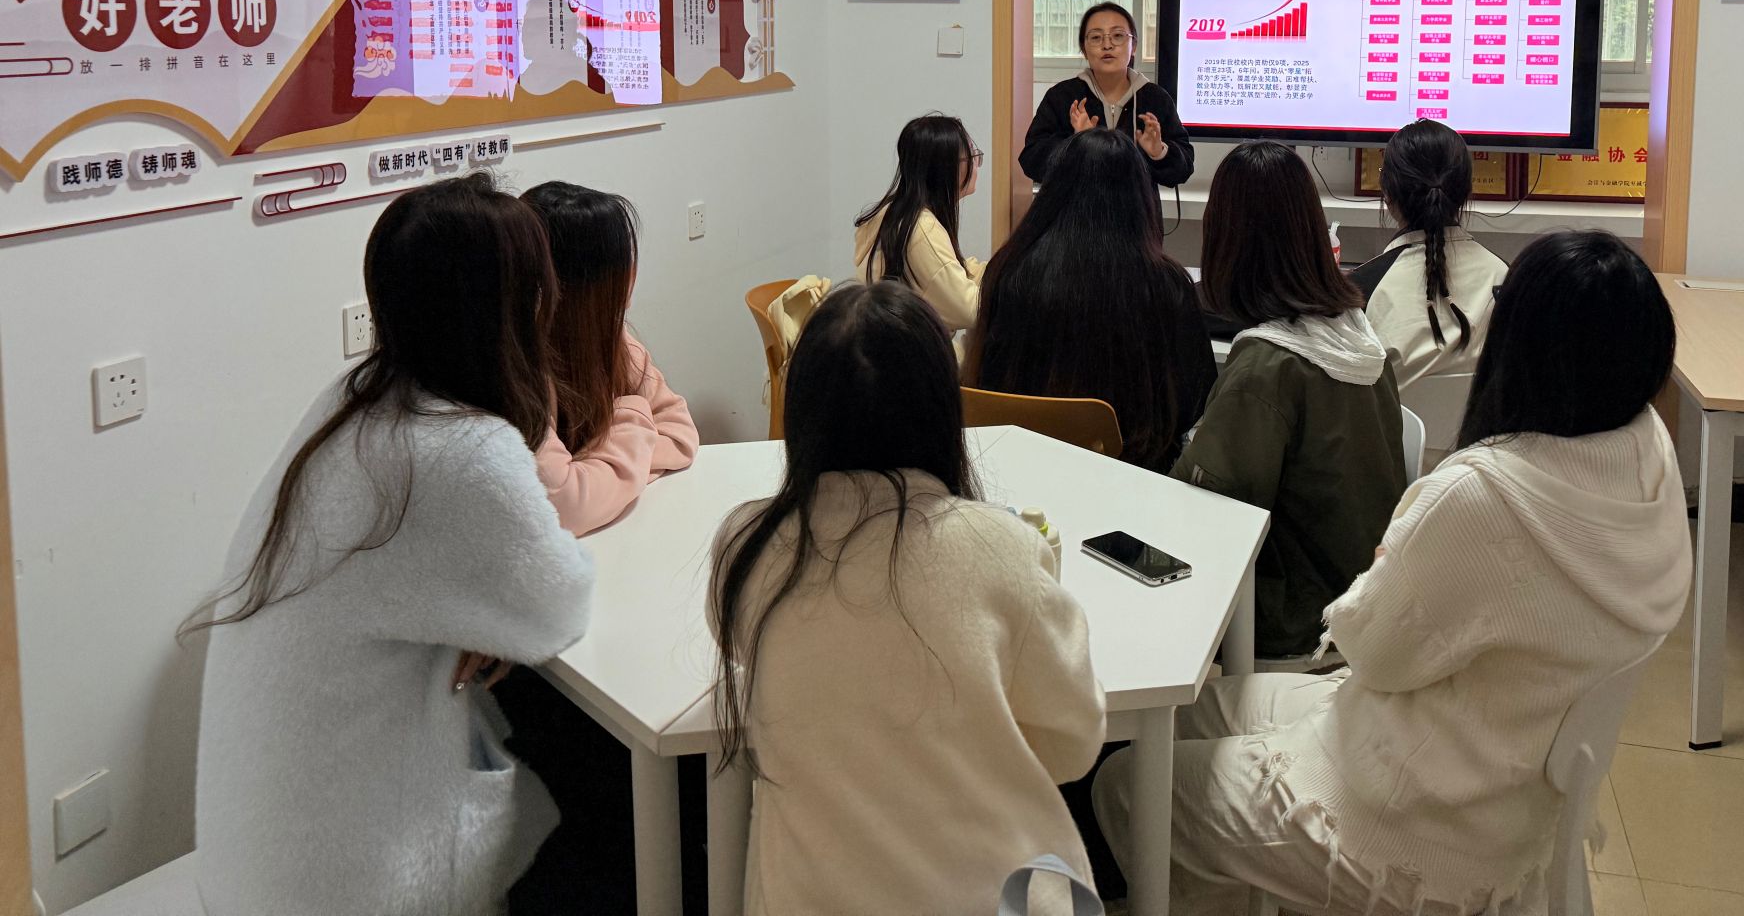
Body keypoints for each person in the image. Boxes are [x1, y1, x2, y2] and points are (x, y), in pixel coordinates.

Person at [1095, 230, 1691, 916]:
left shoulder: (1483, 496)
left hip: (1417, 817)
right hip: (1504, 773)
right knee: (1187, 714)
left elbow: (1371, 652)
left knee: (1129, 782)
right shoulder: (1649, 454)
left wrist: (1392, 561)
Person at [191, 175, 594, 916]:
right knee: (602, 779)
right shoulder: (459, 451)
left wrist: (483, 615)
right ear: (514, 306)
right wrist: (496, 617)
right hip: (349, 880)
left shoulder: (355, 400)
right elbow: (560, 606)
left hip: (261, 861)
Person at [709, 282, 1106, 913]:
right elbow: (1075, 741)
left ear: (802, 413)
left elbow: (737, 640)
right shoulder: (1002, 547)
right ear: (943, 411)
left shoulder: (746, 546)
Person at [1172, 141, 1405, 658]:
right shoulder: (1359, 335)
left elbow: (1201, 509)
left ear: (1226, 240)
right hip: (1358, 601)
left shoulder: (1268, 367)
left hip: (1287, 616)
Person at [968, 128, 1215, 472]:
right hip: (1137, 475)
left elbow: (987, 375)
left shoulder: (1011, 269)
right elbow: (1195, 398)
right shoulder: (1166, 284)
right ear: (1139, 196)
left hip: (1021, 466)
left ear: (1055, 188)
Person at [523, 181, 698, 536]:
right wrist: (634, 417)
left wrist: (599, 477)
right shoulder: (518, 366)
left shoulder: (614, 340)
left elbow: (681, 435)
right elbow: (565, 507)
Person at [1368, 118, 1508, 391]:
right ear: (1466, 192)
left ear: (1387, 193)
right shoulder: (1509, 280)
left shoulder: (1361, 293)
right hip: (1484, 420)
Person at [1019, 0, 1193, 187]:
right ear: (1084, 49)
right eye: (1096, 37)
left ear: (1133, 46)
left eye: (1118, 36)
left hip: (1138, 205)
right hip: (1075, 206)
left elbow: (1184, 168)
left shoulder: (1155, 98)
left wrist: (1158, 152)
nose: (1107, 45)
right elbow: (1031, 159)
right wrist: (1078, 144)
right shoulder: (1063, 97)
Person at [852, 113, 985, 334]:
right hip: (909, 348)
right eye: (971, 155)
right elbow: (968, 309)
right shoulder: (922, 229)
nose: (976, 164)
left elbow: (952, 269)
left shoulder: (893, 212)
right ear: (945, 167)